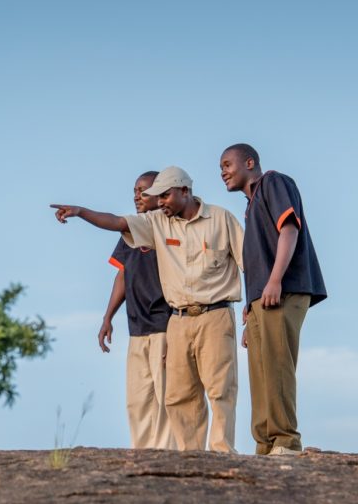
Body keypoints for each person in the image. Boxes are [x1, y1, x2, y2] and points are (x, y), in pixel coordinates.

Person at [52, 166, 244, 453]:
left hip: (213, 314)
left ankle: (221, 451)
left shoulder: (221, 218)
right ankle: (190, 455)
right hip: (173, 320)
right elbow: (117, 224)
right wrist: (81, 211)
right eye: (157, 197)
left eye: (164, 195)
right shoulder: (153, 223)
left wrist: (252, 307)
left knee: (220, 389)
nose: (160, 201)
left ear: (184, 191)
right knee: (179, 395)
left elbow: (247, 262)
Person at [219, 143, 327, 456]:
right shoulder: (251, 204)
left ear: (249, 162)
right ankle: (265, 443)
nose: (223, 172)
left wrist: (276, 279)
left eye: (228, 164)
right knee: (260, 370)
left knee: (278, 364)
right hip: (261, 300)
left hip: (284, 289)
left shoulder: (274, 183)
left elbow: (290, 229)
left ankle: (286, 441)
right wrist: (250, 308)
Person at [100, 171, 176, 450]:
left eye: (143, 191)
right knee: (138, 398)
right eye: (135, 190)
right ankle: (143, 452)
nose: (137, 196)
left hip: (165, 323)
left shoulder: (170, 227)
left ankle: (169, 453)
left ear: (160, 194)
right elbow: (122, 274)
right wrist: (108, 317)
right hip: (137, 326)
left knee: (167, 395)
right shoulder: (130, 230)